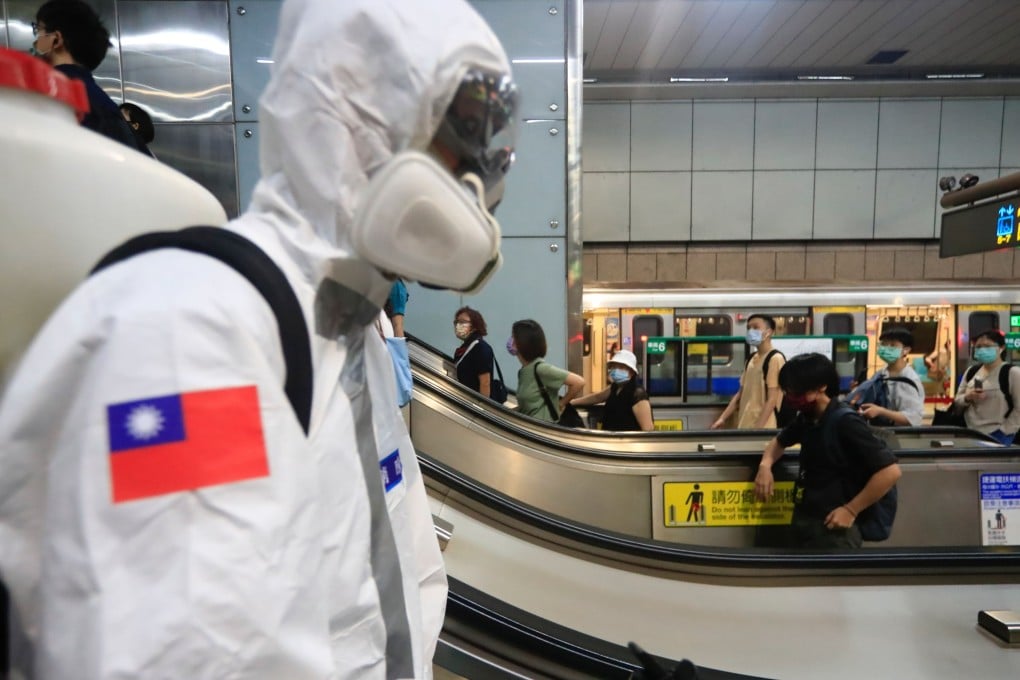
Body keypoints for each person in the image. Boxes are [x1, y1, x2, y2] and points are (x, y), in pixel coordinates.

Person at [0, 0, 518, 676]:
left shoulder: (347, 334)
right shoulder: (192, 336)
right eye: (460, 140)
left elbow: (399, 588)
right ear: (358, 119)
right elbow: (189, 658)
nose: (475, 187)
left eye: (488, 154)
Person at [754, 353, 902, 549]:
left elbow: (890, 472)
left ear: (821, 387)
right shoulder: (807, 417)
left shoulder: (845, 422)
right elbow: (779, 442)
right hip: (807, 517)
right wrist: (765, 466)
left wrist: (851, 510)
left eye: (795, 391)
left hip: (835, 527)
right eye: (787, 391)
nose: (790, 397)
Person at [32, 0, 145, 152]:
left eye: (38, 30)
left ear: (56, 39)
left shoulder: (53, 97)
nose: (35, 41)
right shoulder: (100, 100)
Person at [711, 314, 785, 429]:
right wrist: (722, 418)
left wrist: (757, 429)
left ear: (769, 332)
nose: (751, 331)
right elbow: (740, 394)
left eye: (755, 327)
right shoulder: (751, 359)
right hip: (745, 424)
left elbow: (772, 400)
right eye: (748, 328)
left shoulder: (775, 359)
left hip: (765, 428)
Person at [952, 330, 1020, 445]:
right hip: (970, 433)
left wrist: (1004, 432)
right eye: (978, 346)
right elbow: (957, 401)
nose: (982, 350)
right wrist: (968, 397)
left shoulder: (1012, 373)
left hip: (998, 436)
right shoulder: (971, 372)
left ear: (1001, 348)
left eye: (988, 346)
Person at [511, 319, 584, 423]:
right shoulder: (524, 371)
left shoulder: (541, 369)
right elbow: (529, 406)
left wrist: (561, 404)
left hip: (542, 427)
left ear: (523, 343)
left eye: (513, 338)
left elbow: (579, 382)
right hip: (529, 426)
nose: (510, 342)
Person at [851, 327, 924, 426]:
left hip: (900, 433)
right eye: (884, 344)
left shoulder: (909, 379)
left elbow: (913, 418)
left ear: (906, 350)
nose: (886, 348)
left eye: (893, 345)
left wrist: (881, 411)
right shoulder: (882, 372)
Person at [570, 349, 654, 431]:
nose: (615, 370)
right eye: (614, 367)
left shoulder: (638, 394)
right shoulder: (615, 387)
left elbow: (648, 429)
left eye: (621, 367)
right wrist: (571, 402)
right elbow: (597, 397)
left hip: (626, 439)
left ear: (631, 372)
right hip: (610, 437)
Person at [453, 306, 497, 399]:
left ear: (475, 326)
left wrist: (482, 406)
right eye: (456, 322)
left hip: (474, 403)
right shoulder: (464, 348)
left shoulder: (480, 347)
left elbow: (485, 383)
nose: (458, 326)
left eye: (462, 322)